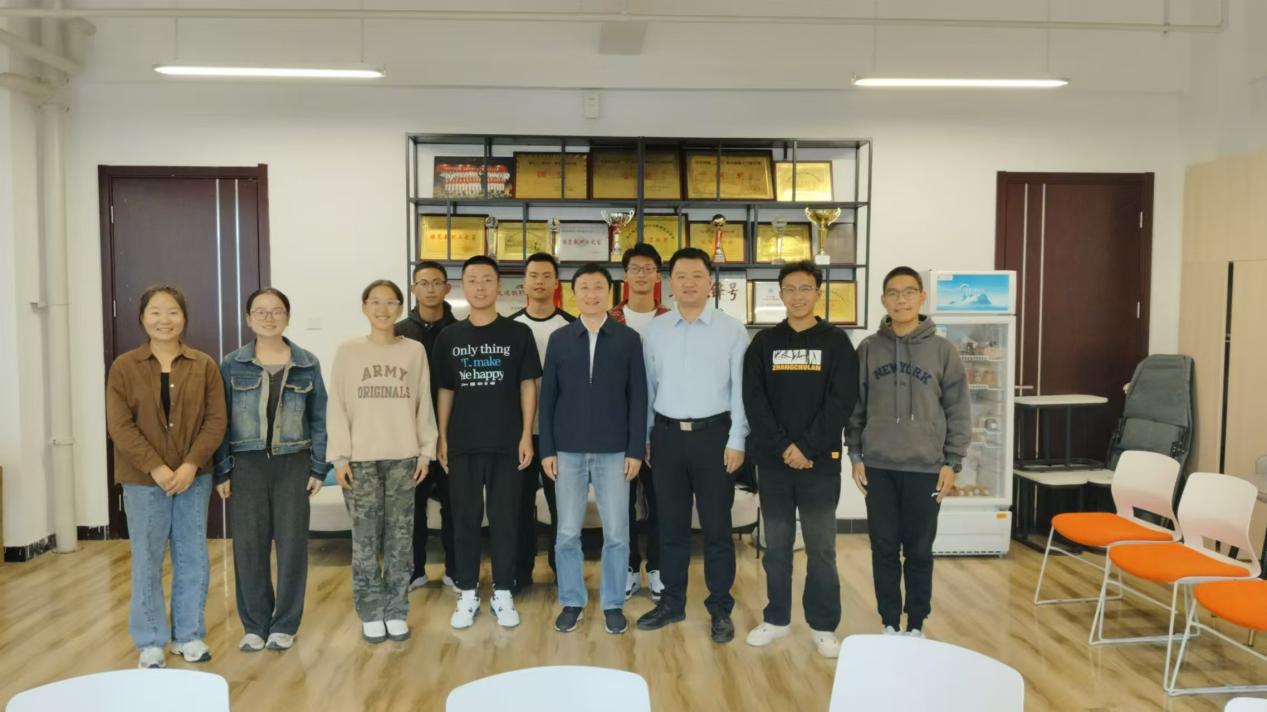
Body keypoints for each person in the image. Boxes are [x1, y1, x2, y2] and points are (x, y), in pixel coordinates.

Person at [105, 284, 227, 669]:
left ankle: (188, 635)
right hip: (143, 480)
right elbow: (120, 425)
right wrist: (156, 467)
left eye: (172, 311)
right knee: (147, 558)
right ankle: (151, 640)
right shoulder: (124, 367)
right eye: (155, 312)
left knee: (193, 555)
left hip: (194, 477)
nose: (164, 320)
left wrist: (191, 464)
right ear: (142, 318)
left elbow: (216, 421)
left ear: (184, 318)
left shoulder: (204, 365)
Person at [846, 266, 971, 638]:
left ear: (921, 297)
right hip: (878, 466)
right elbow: (855, 407)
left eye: (908, 292)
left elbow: (958, 410)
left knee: (919, 549)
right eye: (893, 293)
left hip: (927, 468)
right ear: (883, 300)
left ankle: (916, 623)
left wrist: (952, 462)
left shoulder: (943, 350)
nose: (901, 300)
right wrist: (855, 455)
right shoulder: (869, 348)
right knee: (883, 547)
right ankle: (888, 621)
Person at [742, 261, 858, 659]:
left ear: (818, 293)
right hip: (774, 464)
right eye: (789, 289)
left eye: (805, 288)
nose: (797, 296)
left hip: (819, 465)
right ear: (780, 294)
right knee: (776, 546)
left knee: (821, 549)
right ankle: (776, 619)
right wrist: (783, 448)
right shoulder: (764, 343)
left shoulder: (836, 343)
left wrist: (807, 448)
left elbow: (841, 401)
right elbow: (754, 400)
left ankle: (823, 625)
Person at [636, 247, 749, 644]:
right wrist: (648, 435)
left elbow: (740, 391)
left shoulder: (731, 330)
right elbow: (648, 389)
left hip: (714, 437)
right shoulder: (656, 331)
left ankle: (720, 608)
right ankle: (672, 602)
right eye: (680, 276)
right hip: (666, 438)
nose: (688, 283)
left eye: (697, 276)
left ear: (709, 283)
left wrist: (737, 439)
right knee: (670, 527)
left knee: (717, 529)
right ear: (670, 283)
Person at [214, 288, 328, 653]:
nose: (269, 317)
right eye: (260, 311)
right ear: (248, 319)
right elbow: (220, 421)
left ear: (287, 317)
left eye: (277, 311)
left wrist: (318, 467)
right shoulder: (231, 363)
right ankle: (255, 625)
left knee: (292, 547)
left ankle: (284, 625)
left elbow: (320, 418)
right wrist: (222, 470)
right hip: (245, 465)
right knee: (249, 547)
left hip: (294, 463)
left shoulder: (307, 362)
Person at [433, 256, 542, 629]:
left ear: (499, 286)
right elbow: (446, 390)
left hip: (507, 443)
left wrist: (526, 434)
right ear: (463, 287)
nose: (480, 287)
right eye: (473, 280)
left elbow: (528, 385)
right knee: (463, 519)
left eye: (487, 280)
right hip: (462, 444)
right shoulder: (450, 337)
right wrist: (442, 437)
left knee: (506, 520)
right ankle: (466, 592)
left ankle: (503, 591)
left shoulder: (518, 334)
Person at [326, 279, 437, 644]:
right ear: (364, 307)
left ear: (401, 308)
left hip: (404, 458)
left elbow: (423, 403)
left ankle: (396, 610)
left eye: (390, 302)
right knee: (365, 541)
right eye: (375, 302)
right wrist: (339, 457)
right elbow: (336, 407)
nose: (383, 309)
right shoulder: (348, 352)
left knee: (401, 540)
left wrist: (426, 451)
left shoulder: (414, 351)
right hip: (360, 461)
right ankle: (371, 611)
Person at [540, 263, 648, 635]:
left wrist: (635, 450)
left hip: (614, 450)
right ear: (573, 294)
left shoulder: (628, 339)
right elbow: (547, 399)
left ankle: (613, 603)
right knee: (567, 532)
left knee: (617, 533)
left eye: (598, 287)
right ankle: (572, 600)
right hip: (567, 451)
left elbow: (638, 398)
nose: (591, 294)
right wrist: (547, 449)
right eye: (584, 287)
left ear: (610, 292)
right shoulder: (559, 339)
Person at [509, 251, 574, 590]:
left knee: (562, 507)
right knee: (518, 506)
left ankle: (563, 571)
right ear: (524, 282)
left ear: (556, 283)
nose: (539, 281)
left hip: (559, 434)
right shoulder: (510, 327)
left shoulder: (572, 326)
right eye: (533, 275)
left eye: (546, 275)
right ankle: (520, 572)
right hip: (518, 433)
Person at [609, 243, 670, 601]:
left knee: (662, 501)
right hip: (618, 428)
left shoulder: (673, 320)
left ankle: (658, 568)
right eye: (635, 268)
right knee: (622, 503)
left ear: (658, 276)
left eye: (649, 268)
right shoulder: (608, 320)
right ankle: (629, 567)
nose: (642, 274)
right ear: (625, 275)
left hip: (663, 427)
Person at [395, 260, 459, 593]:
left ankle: (456, 570)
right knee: (411, 506)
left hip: (453, 432)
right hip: (410, 434)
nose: (431, 289)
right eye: (424, 282)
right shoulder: (398, 332)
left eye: (437, 282)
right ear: (413, 288)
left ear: (447, 288)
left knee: (455, 504)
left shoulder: (460, 330)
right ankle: (414, 570)